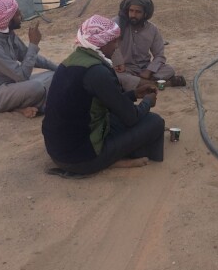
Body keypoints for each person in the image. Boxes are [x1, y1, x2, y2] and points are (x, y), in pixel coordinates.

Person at [42, 15, 164, 177]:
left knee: (115, 115)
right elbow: (131, 117)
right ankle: (107, 160)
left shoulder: (71, 60)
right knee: (154, 122)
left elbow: (102, 101)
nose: (116, 46)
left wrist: (134, 94)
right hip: (81, 159)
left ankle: (111, 156)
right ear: (102, 42)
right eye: (114, 41)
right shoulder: (98, 72)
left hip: (58, 151)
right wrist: (147, 102)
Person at [0, 0, 57, 118]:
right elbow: (22, 76)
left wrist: (59, 68)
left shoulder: (7, 33)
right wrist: (33, 45)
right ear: (7, 19)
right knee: (36, 87)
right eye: (18, 14)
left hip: (10, 85)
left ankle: (28, 105)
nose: (22, 17)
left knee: (55, 75)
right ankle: (34, 106)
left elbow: (27, 55)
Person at [112, 0, 186, 90]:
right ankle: (158, 84)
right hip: (125, 69)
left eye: (138, 12)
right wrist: (118, 62)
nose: (133, 15)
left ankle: (138, 83)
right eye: (131, 11)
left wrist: (149, 71)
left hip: (145, 68)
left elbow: (159, 55)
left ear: (145, 14)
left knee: (169, 70)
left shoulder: (152, 30)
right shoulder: (116, 24)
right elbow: (107, 45)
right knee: (116, 76)